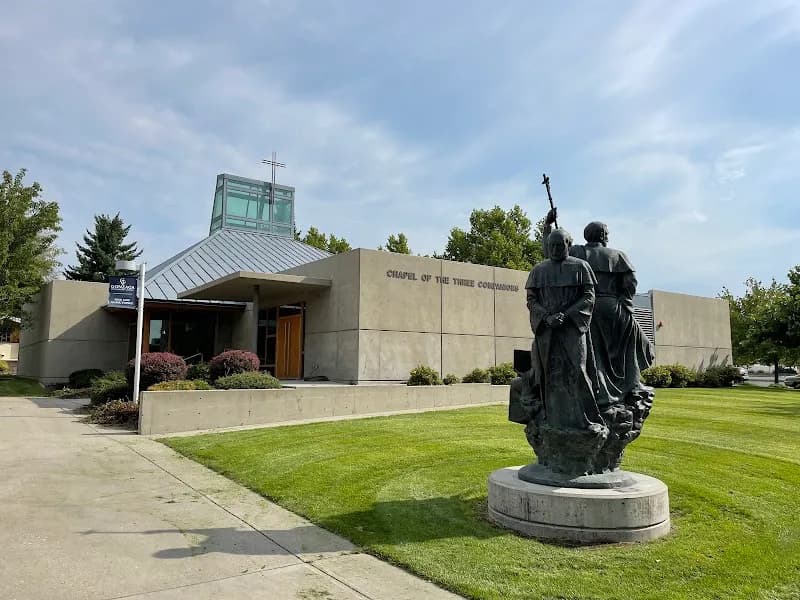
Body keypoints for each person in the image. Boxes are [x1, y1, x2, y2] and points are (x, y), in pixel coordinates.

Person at [543, 209, 654, 409]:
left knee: (594, 354)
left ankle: (598, 391)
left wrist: (547, 226)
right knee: (628, 347)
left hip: (586, 309)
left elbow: (552, 251)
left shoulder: (576, 251)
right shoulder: (618, 255)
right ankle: (630, 386)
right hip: (613, 307)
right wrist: (625, 303)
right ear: (603, 236)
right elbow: (630, 283)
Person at [525, 228, 608, 473]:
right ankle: (552, 418)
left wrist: (567, 315)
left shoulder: (581, 267)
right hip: (547, 329)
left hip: (572, 328)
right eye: (552, 245)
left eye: (560, 245)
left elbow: (588, 296)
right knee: (550, 374)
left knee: (578, 371)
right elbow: (531, 299)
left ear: (569, 245)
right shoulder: (539, 271)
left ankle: (586, 419)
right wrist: (545, 317)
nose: (555, 250)